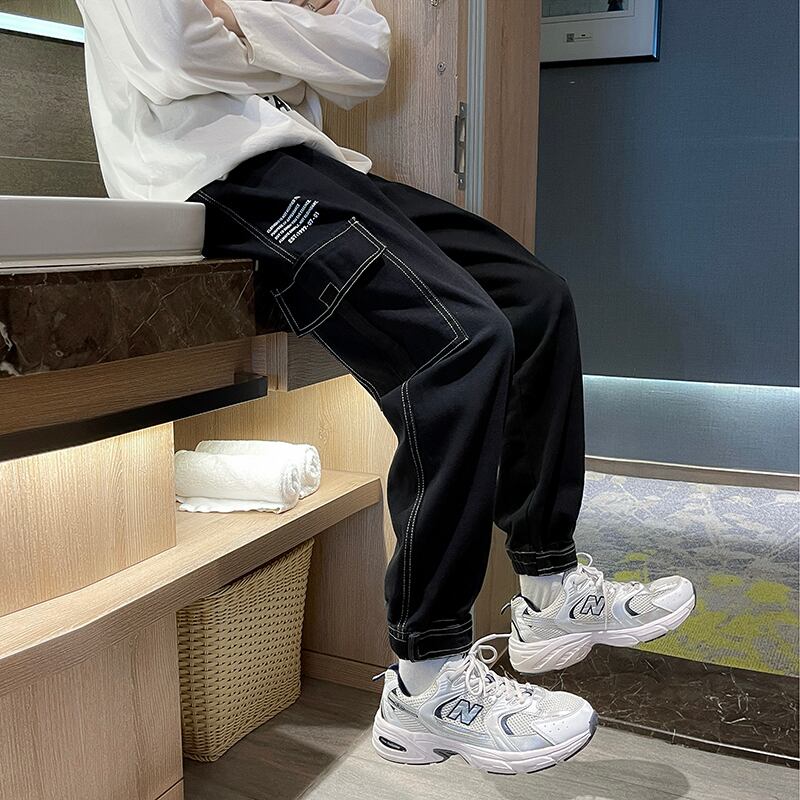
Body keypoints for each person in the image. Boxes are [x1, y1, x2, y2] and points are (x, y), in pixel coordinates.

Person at [75, 0, 696, 776]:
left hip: (321, 166)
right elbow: (171, 53)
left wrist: (236, 16)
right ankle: (427, 680)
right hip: (218, 178)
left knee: (535, 300)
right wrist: (292, 42)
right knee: (458, 345)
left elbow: (366, 55)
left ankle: (550, 583)